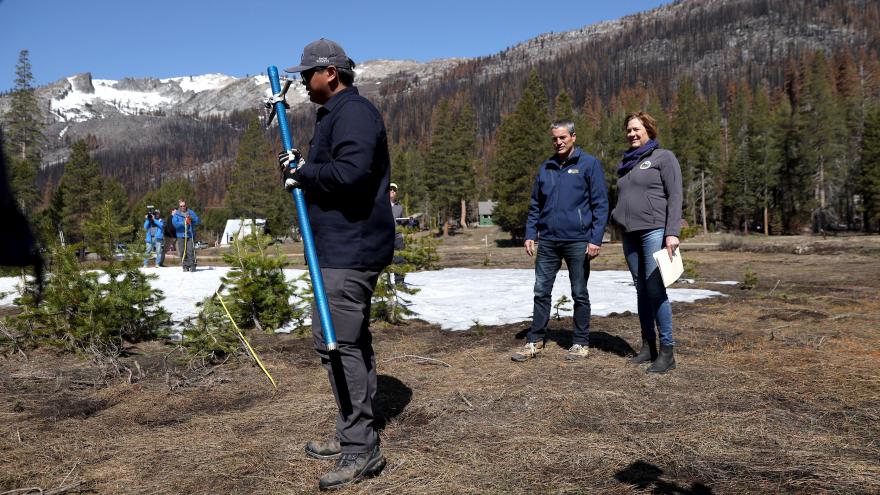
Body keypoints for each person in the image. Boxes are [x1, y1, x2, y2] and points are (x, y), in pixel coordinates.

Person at [278, 38, 393, 490]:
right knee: (347, 342)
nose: (303, 83)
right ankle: (353, 431)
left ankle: (361, 450)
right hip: (339, 249)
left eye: (307, 74)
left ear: (331, 72)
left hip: (352, 250)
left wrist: (305, 172)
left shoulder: (355, 114)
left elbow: (351, 174)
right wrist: (301, 169)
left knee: (337, 345)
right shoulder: (335, 116)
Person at [512, 121, 609, 362]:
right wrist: (530, 234)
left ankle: (580, 343)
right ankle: (535, 340)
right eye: (555, 138)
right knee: (541, 291)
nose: (559, 142)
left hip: (578, 241)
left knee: (579, 292)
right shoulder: (546, 167)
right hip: (548, 242)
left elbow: (600, 204)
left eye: (563, 137)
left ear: (574, 137)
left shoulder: (589, 164)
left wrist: (595, 238)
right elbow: (536, 205)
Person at [611, 111, 682, 374]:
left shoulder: (663, 157)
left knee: (655, 289)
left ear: (649, 130)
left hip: (654, 230)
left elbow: (675, 195)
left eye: (636, 129)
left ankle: (667, 351)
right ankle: (647, 345)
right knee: (641, 289)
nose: (631, 134)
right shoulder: (627, 163)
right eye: (628, 130)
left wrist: (672, 231)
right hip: (629, 233)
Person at [171, 199, 200, 272]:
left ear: (186, 205)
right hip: (181, 235)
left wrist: (192, 219)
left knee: (190, 250)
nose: (183, 207)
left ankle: (192, 265)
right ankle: (185, 266)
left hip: (190, 235)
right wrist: (184, 222)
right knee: (182, 251)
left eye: (184, 206)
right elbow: (175, 224)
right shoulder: (176, 214)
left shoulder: (190, 212)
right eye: (181, 206)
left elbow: (198, 220)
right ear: (179, 206)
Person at [389, 182, 407, 286]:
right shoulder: (380, 204)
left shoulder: (399, 207)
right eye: (390, 189)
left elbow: (401, 221)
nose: (392, 191)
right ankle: (381, 284)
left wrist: (408, 222)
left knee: (400, 259)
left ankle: (400, 282)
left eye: (394, 190)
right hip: (384, 236)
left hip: (397, 236)